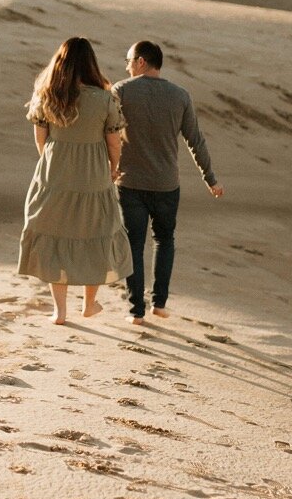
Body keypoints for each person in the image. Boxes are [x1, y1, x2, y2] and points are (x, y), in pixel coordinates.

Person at [18, 37, 133, 324]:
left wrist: (51, 161)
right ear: (90, 64)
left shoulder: (47, 95)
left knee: (56, 233)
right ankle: (89, 304)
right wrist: (113, 168)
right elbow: (114, 141)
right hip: (93, 174)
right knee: (95, 233)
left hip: (55, 171)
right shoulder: (105, 99)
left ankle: (60, 310)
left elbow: (40, 137)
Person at [112, 40, 223, 326]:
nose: (126, 66)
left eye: (128, 60)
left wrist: (104, 169)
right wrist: (209, 178)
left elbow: (107, 134)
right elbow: (195, 140)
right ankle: (159, 303)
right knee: (164, 240)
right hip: (166, 184)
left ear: (140, 61)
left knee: (134, 244)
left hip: (130, 182)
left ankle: (136, 310)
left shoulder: (121, 91)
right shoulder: (180, 95)